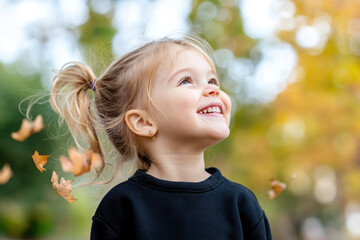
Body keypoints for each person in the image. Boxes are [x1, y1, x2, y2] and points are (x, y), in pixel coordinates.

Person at [50, 34, 273, 240]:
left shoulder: (240, 203)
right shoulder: (122, 207)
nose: (212, 90)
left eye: (213, 81)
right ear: (143, 122)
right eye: (186, 81)